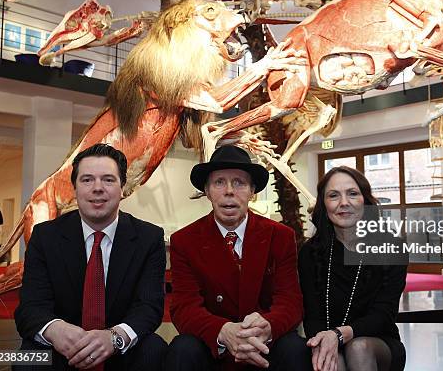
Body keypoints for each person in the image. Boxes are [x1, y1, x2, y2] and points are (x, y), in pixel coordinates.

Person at [14, 143, 168, 371]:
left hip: (119, 350)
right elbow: (30, 306)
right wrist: (56, 330)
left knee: (156, 350)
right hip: (61, 349)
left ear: (123, 187)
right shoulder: (45, 236)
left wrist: (114, 338)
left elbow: (149, 307)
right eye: (87, 180)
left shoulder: (149, 238)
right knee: (25, 359)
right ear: (74, 188)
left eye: (108, 179)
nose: (98, 188)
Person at [166, 145, 310, 371]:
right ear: (207, 190)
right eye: (219, 182)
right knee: (183, 348)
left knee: (295, 348)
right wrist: (222, 331)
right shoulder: (185, 241)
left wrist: (266, 328)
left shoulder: (280, 236)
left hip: (265, 346)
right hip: (215, 348)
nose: (229, 191)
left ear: (253, 191)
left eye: (239, 183)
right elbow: (184, 307)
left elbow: (290, 301)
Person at [299, 166, 407, 371]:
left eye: (352, 194)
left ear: (365, 201)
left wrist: (340, 334)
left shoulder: (392, 246)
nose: (344, 203)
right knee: (333, 359)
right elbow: (312, 315)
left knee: (358, 348)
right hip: (328, 340)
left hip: (378, 344)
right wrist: (324, 341)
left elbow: (384, 314)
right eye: (333, 196)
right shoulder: (310, 253)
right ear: (323, 204)